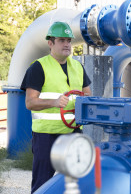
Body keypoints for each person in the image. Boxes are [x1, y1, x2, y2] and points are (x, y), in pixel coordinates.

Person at [21, 21, 91, 193]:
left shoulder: (78, 67)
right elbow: (30, 102)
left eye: (69, 40)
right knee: (43, 182)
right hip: (46, 135)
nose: (67, 44)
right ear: (50, 43)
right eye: (62, 40)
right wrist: (54, 102)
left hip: (73, 132)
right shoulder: (38, 67)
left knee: (77, 180)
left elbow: (88, 96)